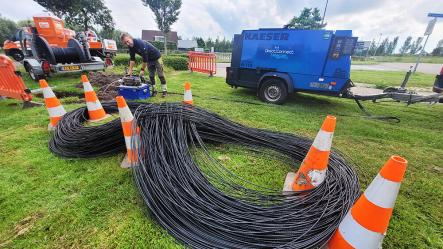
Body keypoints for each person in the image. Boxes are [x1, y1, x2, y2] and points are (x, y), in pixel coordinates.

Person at [120, 33, 167, 97]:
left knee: (160, 75)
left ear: (130, 37)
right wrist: (130, 70)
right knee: (151, 76)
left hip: (157, 57)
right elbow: (132, 59)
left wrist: (142, 70)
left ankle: (164, 91)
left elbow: (145, 59)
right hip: (149, 60)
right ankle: (154, 90)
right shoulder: (130, 47)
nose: (127, 44)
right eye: (125, 43)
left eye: (127, 41)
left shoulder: (139, 43)